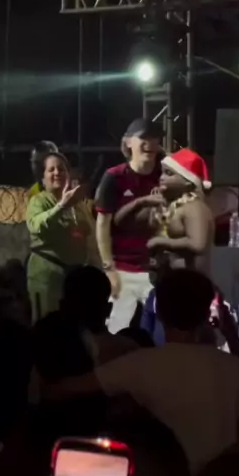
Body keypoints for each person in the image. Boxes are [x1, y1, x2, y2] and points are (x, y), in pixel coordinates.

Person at [47, 270, 239, 476]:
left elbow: (61, 390)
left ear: (159, 311)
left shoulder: (139, 364)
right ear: (205, 314)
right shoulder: (233, 367)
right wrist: (230, 334)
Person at [95, 118, 163, 333]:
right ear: (128, 143)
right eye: (143, 138)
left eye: (154, 138)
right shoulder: (114, 177)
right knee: (116, 331)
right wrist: (109, 269)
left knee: (162, 333)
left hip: (155, 272)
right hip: (122, 271)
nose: (149, 144)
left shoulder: (166, 176)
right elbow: (102, 225)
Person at [26, 152, 101, 321]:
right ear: (43, 179)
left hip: (74, 279)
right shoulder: (39, 201)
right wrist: (61, 206)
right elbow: (36, 226)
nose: (57, 173)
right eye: (51, 170)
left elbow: (90, 237)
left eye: (61, 169)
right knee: (48, 324)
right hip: (47, 278)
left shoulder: (78, 205)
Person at [146, 148, 214, 275]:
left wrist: (161, 242)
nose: (162, 178)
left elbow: (197, 244)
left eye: (169, 173)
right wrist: (154, 208)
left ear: (188, 182)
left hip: (192, 280)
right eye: (162, 173)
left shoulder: (194, 207)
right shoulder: (173, 206)